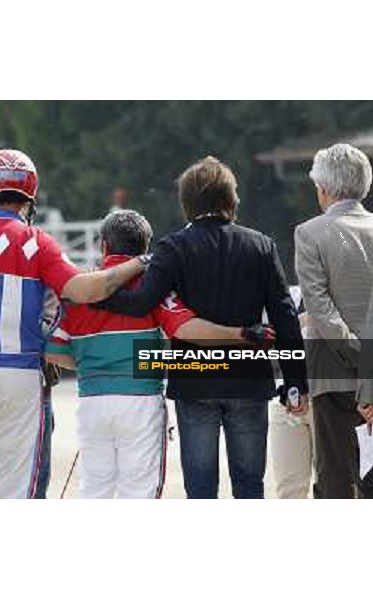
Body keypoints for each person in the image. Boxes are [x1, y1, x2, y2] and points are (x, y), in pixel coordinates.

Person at [0, 149, 147, 499]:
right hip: (16, 379)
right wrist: (138, 263)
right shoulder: (38, 244)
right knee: (12, 493)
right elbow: (85, 289)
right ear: (29, 198)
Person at [96, 156, 307, 499]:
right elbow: (284, 316)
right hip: (249, 380)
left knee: (200, 489)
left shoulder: (173, 247)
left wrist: (95, 296)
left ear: (187, 204)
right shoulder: (261, 246)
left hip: (194, 381)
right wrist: (296, 382)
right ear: (230, 200)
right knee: (250, 485)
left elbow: (140, 303)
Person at [45, 209, 276, 499]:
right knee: (140, 491)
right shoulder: (152, 285)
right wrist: (239, 333)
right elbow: (186, 330)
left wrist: (95, 367)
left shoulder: (82, 289)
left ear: (103, 245)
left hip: (92, 402)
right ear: (146, 247)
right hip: (141, 399)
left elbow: (53, 351)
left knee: (95, 488)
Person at [295, 142, 373, 499]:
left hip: (332, 374)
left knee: (336, 480)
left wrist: (358, 358)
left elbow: (320, 308)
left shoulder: (310, 233)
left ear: (323, 189)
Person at [269, 290, 316, 499]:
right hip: (285, 398)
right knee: (289, 490)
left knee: (336, 486)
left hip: (330, 398)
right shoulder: (278, 281)